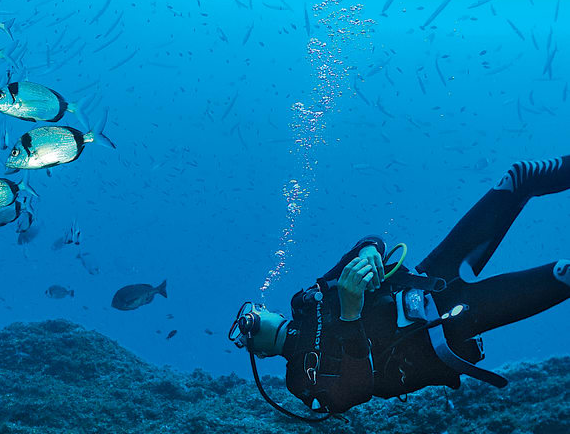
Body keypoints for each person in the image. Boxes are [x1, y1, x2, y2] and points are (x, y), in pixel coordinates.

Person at [229, 157, 570, 418]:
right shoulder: (298, 379)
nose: (251, 319)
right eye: (245, 329)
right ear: (260, 353)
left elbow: (369, 242)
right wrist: (350, 315)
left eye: (251, 311)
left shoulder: (306, 301)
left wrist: (369, 252)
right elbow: (352, 394)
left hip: (428, 278)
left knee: (517, 177)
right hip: (441, 330)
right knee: (563, 274)